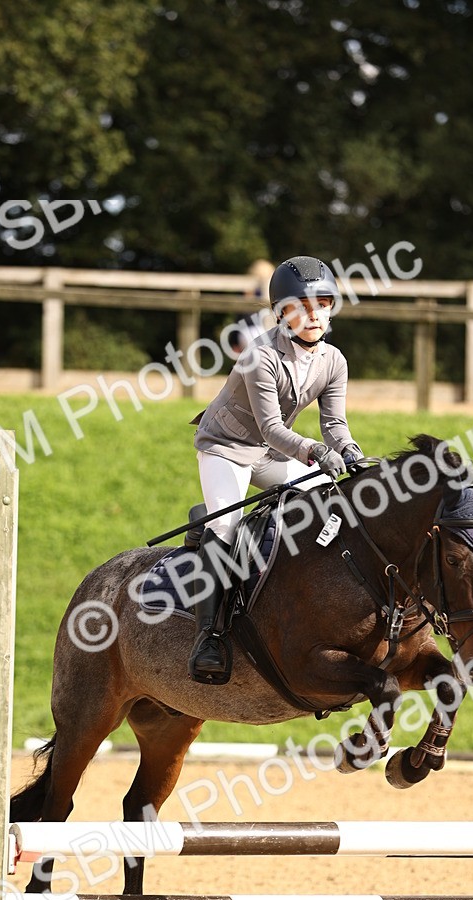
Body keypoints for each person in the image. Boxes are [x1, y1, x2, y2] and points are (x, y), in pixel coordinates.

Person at [188, 254, 364, 684]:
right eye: (299, 306)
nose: (313, 314)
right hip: (226, 447)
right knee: (227, 525)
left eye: (322, 303)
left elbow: (334, 424)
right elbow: (269, 429)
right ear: (280, 313)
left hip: (270, 452)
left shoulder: (333, 360)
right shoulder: (260, 355)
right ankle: (208, 637)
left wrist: (351, 452)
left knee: (332, 499)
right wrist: (317, 453)